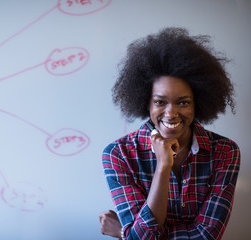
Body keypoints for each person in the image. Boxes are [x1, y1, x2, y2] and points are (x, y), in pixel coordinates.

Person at [99, 27, 240, 240]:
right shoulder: (118, 154)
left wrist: (124, 233)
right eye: (160, 102)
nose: (171, 113)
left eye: (183, 102)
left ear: (198, 102)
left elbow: (207, 236)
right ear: (145, 102)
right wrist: (163, 166)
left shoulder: (224, 151)